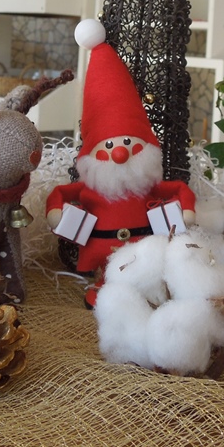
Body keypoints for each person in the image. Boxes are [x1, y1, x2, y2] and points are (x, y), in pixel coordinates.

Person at [47, 20, 195, 307]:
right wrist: (55, 211)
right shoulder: (91, 187)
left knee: (147, 274)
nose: (119, 154)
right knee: (106, 278)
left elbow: (179, 189)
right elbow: (60, 193)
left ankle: (146, 290)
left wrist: (186, 210)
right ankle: (104, 289)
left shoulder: (147, 185)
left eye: (128, 142)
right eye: (108, 146)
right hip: (102, 256)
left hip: (145, 253)